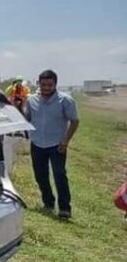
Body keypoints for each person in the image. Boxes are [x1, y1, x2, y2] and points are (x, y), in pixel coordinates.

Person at [25, 70, 80, 219]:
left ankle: (64, 208)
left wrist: (66, 141)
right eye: (43, 84)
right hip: (37, 144)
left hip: (57, 145)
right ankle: (48, 203)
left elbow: (74, 121)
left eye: (50, 85)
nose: (46, 88)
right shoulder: (31, 100)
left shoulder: (65, 100)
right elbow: (27, 119)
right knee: (40, 176)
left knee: (59, 175)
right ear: (39, 84)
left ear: (55, 84)